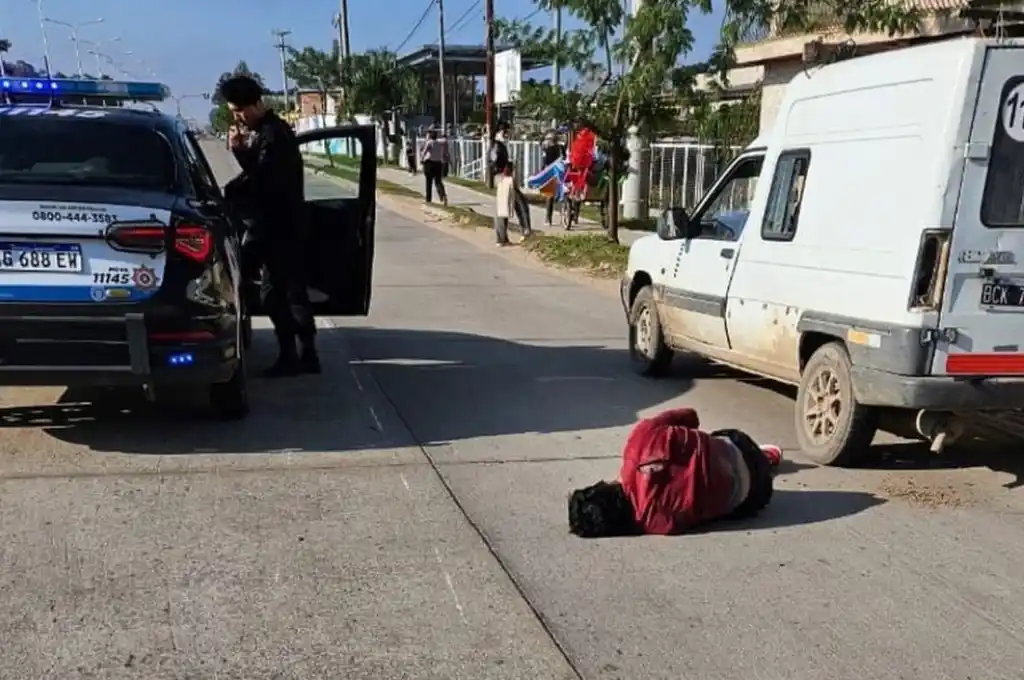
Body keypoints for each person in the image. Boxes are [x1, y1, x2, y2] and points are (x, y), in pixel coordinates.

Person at [220, 74, 320, 378]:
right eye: (235, 112)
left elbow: (264, 179)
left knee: (276, 295)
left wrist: (239, 153)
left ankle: (294, 355)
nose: (239, 117)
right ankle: (306, 355)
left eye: (241, 110)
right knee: (292, 292)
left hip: (281, 228)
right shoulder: (270, 131)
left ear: (258, 103)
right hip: (283, 225)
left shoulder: (274, 134)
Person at [568, 408, 782, 537]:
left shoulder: (655, 524)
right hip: (741, 446)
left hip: (755, 495)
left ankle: (764, 462)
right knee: (715, 439)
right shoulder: (637, 442)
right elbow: (691, 416)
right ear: (601, 486)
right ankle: (764, 456)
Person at [489, 121, 532, 245]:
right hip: (504, 177)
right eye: (508, 131)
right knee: (520, 203)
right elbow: (494, 161)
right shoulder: (498, 145)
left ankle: (501, 238)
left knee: (504, 206)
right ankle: (526, 230)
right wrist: (504, 169)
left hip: (501, 177)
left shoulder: (498, 144)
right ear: (503, 131)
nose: (510, 134)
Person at [541, 132, 565, 226]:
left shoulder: (548, 150)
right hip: (562, 173)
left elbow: (545, 163)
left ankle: (548, 219)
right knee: (562, 195)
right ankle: (564, 216)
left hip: (551, 173)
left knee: (549, 195)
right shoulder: (562, 148)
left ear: (551, 140)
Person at [421, 129, 448, 205]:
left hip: (430, 163)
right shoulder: (440, 143)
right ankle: (443, 196)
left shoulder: (429, 142)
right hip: (438, 163)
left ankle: (428, 199)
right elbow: (445, 141)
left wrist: (421, 160)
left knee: (428, 182)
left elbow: (424, 152)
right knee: (438, 181)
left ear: (430, 136)